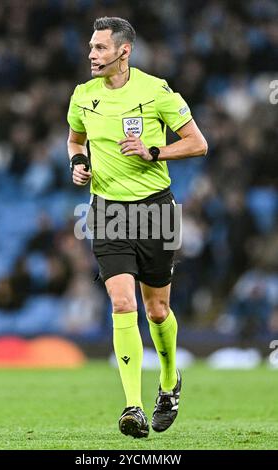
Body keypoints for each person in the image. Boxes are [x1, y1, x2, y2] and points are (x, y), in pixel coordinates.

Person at [67, 16, 208, 438]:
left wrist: (155, 150)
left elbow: (198, 143)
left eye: (100, 48)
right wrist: (78, 163)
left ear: (123, 51)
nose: (92, 55)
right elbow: (75, 140)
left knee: (157, 309)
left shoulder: (156, 91)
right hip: (108, 211)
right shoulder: (82, 96)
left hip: (156, 211)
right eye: (91, 47)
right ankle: (133, 407)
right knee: (122, 303)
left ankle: (169, 382)